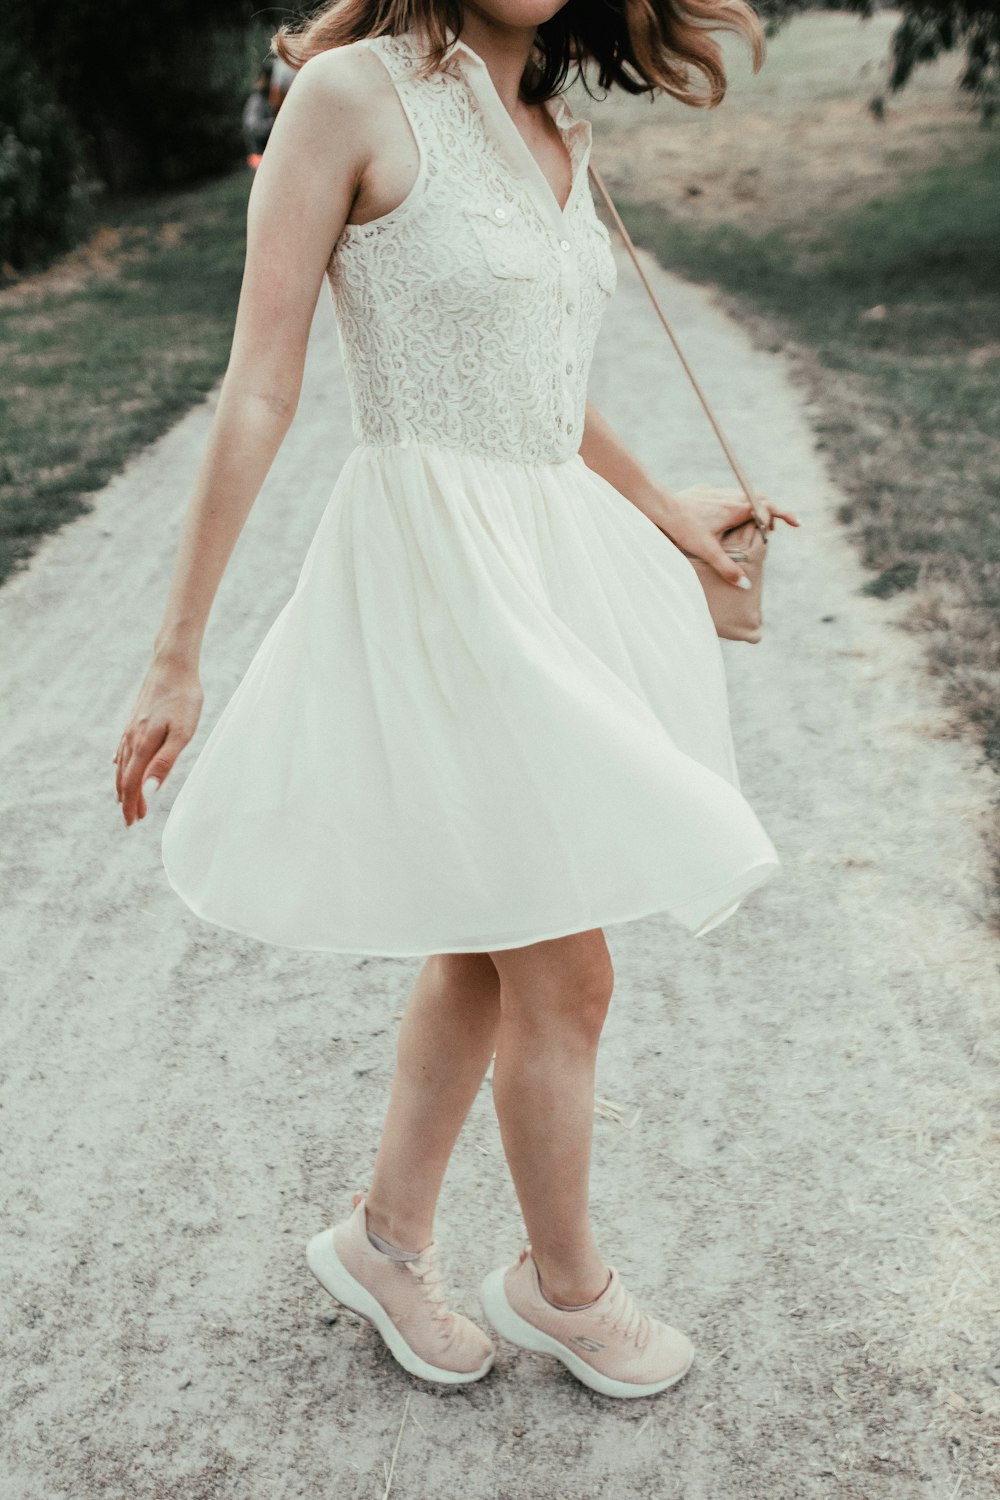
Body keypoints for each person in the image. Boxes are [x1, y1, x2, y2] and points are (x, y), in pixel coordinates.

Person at [113, 0, 799, 1399]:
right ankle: (569, 1292)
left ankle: (385, 1242)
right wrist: (178, 648)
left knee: (496, 940)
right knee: (571, 963)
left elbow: (541, 384)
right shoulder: (349, 98)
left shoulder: (552, 120)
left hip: (544, 569)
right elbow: (259, 386)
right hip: (440, 580)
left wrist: (666, 508)